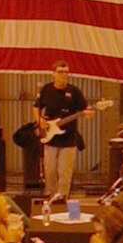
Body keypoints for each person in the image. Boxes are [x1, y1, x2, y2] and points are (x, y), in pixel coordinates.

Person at [33, 60, 88, 201]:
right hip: (50, 138)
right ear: (53, 74)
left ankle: (62, 200)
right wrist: (40, 121)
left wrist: (88, 114)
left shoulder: (74, 91)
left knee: (64, 174)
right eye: (60, 72)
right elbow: (36, 107)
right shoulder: (46, 90)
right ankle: (50, 199)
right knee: (50, 171)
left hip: (69, 139)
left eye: (66, 72)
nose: (63, 75)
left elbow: (85, 110)